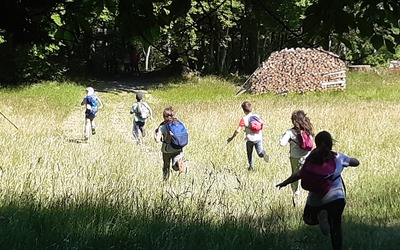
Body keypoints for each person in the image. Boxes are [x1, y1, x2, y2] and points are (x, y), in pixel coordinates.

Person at [276, 131, 360, 250]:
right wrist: (350, 160)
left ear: (316, 143)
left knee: (308, 219)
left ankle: (321, 217)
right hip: (337, 198)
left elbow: (300, 173)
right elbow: (356, 163)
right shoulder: (338, 157)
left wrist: (285, 182)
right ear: (331, 144)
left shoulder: (312, 157)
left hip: (316, 200)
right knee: (336, 227)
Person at [279, 110, 314, 196]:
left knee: (295, 175)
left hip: (295, 157)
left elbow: (282, 144)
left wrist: (282, 137)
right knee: (308, 173)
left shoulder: (290, 132)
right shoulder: (307, 129)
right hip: (308, 156)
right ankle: (310, 190)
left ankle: (296, 192)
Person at [227, 101, 269, 171]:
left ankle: (251, 167)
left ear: (243, 110)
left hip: (250, 139)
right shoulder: (257, 116)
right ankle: (263, 154)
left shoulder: (244, 119)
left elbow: (237, 130)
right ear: (251, 108)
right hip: (258, 138)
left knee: (249, 153)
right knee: (259, 153)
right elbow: (261, 125)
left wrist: (231, 138)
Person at [153, 106, 186, 181]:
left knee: (166, 166)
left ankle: (165, 181)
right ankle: (178, 164)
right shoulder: (178, 124)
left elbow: (157, 140)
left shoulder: (162, 127)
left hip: (167, 151)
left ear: (164, 116)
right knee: (175, 166)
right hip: (178, 148)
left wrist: (155, 134)